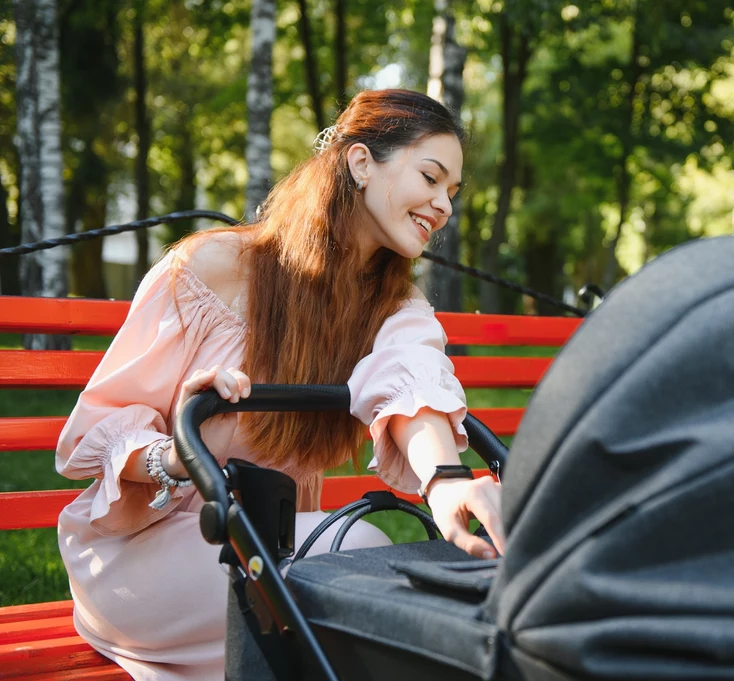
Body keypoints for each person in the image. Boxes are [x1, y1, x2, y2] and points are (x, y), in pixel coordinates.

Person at [55, 89, 505, 681]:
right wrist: (186, 450)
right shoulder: (210, 270)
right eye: (431, 176)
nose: (444, 205)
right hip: (136, 557)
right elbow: (89, 438)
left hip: (272, 551)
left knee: (366, 586)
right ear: (361, 162)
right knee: (359, 558)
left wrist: (446, 481)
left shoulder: (395, 308)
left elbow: (413, 383)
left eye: (453, 191)